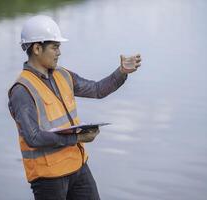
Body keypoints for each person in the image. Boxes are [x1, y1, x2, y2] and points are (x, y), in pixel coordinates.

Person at [8, 15, 141, 200]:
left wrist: (121, 72)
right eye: (55, 47)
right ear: (37, 48)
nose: (59, 52)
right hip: (49, 178)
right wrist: (77, 137)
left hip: (78, 167)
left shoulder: (63, 75)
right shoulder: (22, 90)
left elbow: (97, 90)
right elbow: (34, 138)